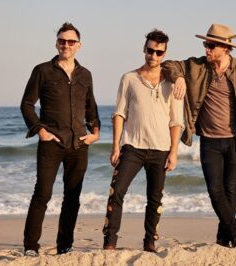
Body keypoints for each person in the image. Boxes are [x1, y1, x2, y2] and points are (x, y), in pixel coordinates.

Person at [162, 23, 236, 248]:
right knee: (215, 191)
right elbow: (168, 65)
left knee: (230, 189)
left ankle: (223, 238)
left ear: (225, 48)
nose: (206, 48)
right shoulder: (197, 66)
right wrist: (179, 78)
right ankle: (234, 233)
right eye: (205, 44)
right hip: (209, 141)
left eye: (211, 45)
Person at [20, 22, 100, 256]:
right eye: (62, 41)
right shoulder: (42, 70)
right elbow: (27, 104)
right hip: (51, 144)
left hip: (78, 145)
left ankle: (65, 246)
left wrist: (95, 132)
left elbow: (91, 107)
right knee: (42, 194)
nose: (66, 45)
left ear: (79, 45)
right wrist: (40, 131)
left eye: (71, 41)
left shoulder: (86, 74)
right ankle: (31, 247)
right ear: (57, 43)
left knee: (72, 197)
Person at [102, 29, 184, 253]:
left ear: (164, 54)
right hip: (132, 147)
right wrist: (115, 146)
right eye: (150, 50)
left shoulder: (173, 83)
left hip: (160, 149)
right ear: (144, 49)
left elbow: (176, 121)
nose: (153, 56)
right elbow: (119, 113)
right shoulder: (129, 78)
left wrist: (174, 151)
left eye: (159, 52)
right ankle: (109, 242)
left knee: (155, 199)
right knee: (116, 191)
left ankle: (150, 241)